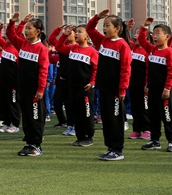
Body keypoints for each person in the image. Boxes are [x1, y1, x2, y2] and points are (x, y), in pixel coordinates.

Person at [86, 10, 132, 160]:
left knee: (115, 119)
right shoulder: (102, 41)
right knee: (106, 118)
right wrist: (97, 18)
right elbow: (89, 29)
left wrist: (122, 89)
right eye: (104, 25)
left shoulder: (123, 45)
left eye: (107, 25)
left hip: (115, 90)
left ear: (117, 29)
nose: (104, 28)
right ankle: (110, 147)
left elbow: (126, 69)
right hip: (103, 87)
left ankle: (118, 150)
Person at [7, 12, 49, 156]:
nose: (26, 31)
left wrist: (40, 89)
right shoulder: (23, 44)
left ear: (37, 32)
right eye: (26, 28)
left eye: (29, 28)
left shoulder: (41, 49)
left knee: (35, 117)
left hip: (34, 90)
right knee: (26, 117)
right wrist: (12, 22)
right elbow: (11, 34)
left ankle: (36, 145)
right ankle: (29, 143)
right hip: (23, 88)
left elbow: (43, 70)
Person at [55, 25, 99, 149]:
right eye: (76, 32)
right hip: (72, 87)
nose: (76, 34)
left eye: (80, 32)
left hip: (85, 88)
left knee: (86, 113)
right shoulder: (72, 48)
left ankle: (88, 137)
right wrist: (64, 35)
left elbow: (96, 69)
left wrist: (92, 82)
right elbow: (58, 47)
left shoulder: (92, 52)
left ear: (87, 36)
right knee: (76, 113)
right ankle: (80, 136)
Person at [138, 18, 172, 153]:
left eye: (158, 33)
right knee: (153, 115)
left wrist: (167, 88)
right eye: (154, 33)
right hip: (152, 90)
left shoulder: (169, 52)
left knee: (167, 116)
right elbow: (142, 40)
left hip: (164, 91)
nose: (154, 36)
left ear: (167, 36)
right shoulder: (152, 50)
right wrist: (144, 27)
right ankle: (155, 140)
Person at [0, 23, 22, 133]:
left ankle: (15, 125)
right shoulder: (5, 46)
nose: (8, 38)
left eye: (10, 36)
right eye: (7, 37)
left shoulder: (18, 50)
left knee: (13, 103)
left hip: (13, 83)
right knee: (3, 102)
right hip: (3, 81)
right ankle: (6, 123)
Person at [126, 22, 151, 141]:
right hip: (133, 83)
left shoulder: (148, 51)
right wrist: (127, 28)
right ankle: (136, 130)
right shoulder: (134, 47)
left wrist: (147, 83)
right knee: (135, 107)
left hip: (143, 84)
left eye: (139, 33)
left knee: (144, 107)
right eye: (135, 33)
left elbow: (148, 70)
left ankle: (147, 129)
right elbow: (125, 40)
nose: (137, 35)